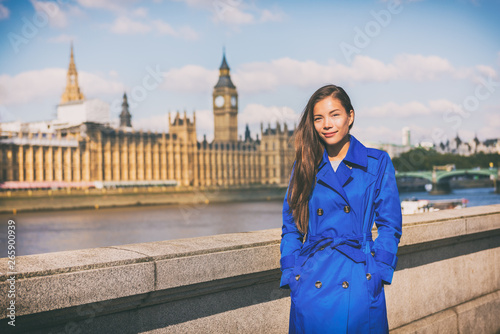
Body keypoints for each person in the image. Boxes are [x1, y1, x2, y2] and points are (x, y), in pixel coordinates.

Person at [279, 84, 402, 333]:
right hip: (312, 284)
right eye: (318, 118)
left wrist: (377, 272)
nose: (327, 124)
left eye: (335, 114)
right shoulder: (304, 166)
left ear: (350, 116)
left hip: (358, 282)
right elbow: (291, 228)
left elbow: (390, 225)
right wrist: (293, 273)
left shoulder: (376, 163)